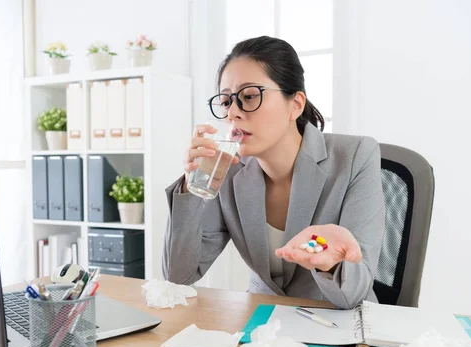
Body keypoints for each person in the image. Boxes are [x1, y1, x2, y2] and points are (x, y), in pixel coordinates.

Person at [162, 36, 385, 309]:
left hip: (338, 326)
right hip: (262, 324)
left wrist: (331, 263)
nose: (233, 112)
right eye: (226, 101)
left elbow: (354, 293)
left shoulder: (356, 157)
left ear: (296, 104)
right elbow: (178, 276)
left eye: (249, 96)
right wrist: (191, 185)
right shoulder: (228, 170)